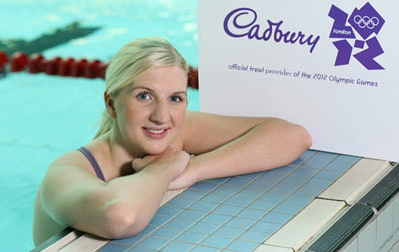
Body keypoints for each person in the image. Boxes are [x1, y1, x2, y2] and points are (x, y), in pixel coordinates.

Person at [32, 36, 312, 246]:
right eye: (144, 96)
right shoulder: (67, 172)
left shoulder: (177, 131)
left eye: (175, 98)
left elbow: (293, 136)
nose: (161, 116)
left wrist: (192, 170)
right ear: (111, 104)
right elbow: (120, 217)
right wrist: (163, 169)